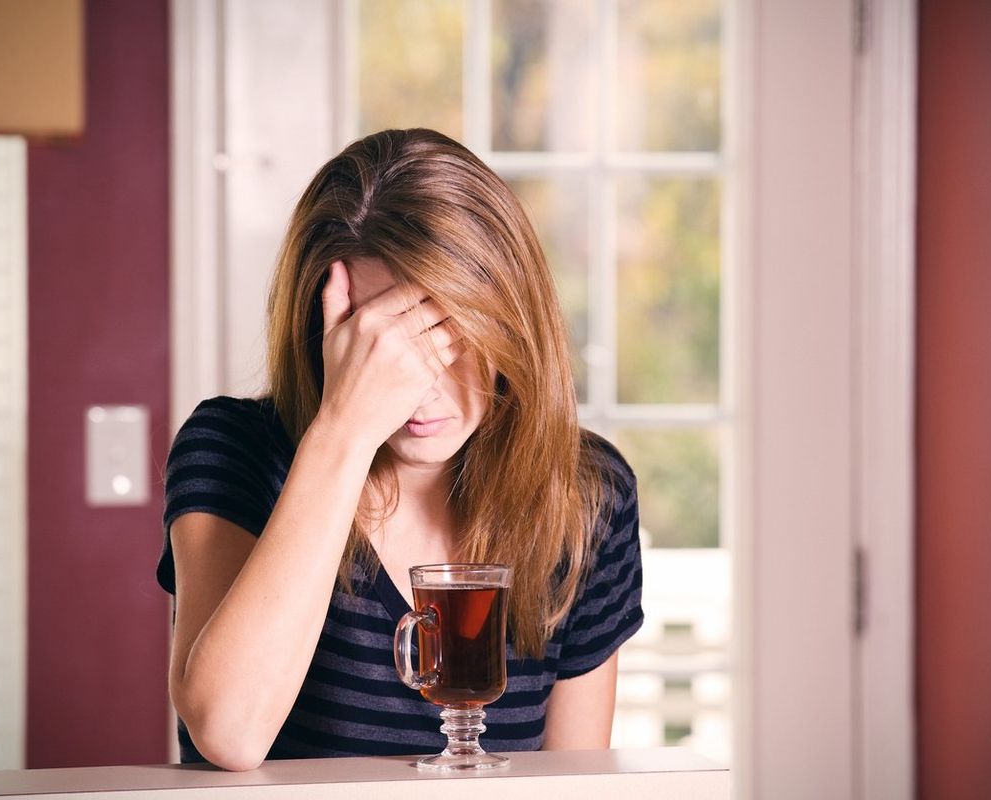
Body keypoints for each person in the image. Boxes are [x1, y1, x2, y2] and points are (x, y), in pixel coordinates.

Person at [156, 128, 643, 771]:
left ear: (509, 321)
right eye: (380, 344)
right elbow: (227, 731)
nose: (420, 391)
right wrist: (344, 429)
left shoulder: (586, 492)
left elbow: (570, 782)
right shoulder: (234, 447)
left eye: (447, 334)